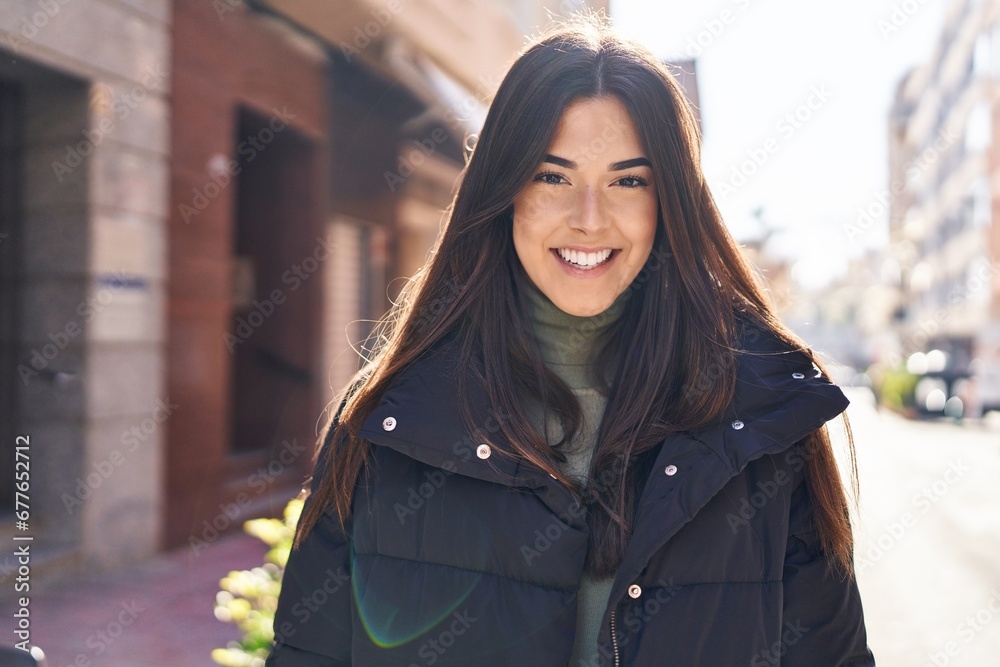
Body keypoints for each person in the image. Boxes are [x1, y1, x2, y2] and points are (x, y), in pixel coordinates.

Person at [265, 13, 875, 667]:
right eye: (552, 176)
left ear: (669, 199)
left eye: (628, 180)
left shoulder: (760, 415)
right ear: (505, 190)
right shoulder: (392, 417)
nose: (589, 218)